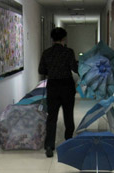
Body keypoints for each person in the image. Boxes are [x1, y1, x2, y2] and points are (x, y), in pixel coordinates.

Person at [39, 27, 78, 157]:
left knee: (52, 117)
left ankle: (49, 146)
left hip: (53, 86)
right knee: (68, 115)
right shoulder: (68, 52)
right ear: (64, 38)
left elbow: (41, 70)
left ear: (52, 38)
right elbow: (75, 68)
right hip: (67, 86)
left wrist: (51, 70)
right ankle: (68, 142)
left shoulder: (46, 53)